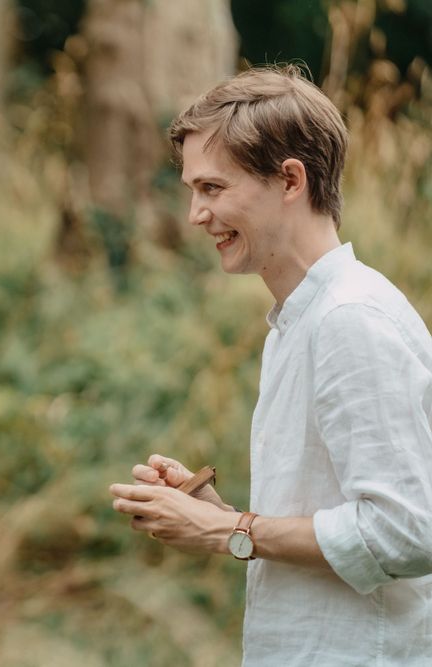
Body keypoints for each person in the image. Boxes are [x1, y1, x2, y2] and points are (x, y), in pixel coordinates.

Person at [109, 65, 432, 665]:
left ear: (290, 179)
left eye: (213, 188)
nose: (195, 214)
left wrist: (227, 533)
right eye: (192, 190)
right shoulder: (297, 322)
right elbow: (338, 523)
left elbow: (408, 531)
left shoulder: (349, 320)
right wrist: (220, 516)